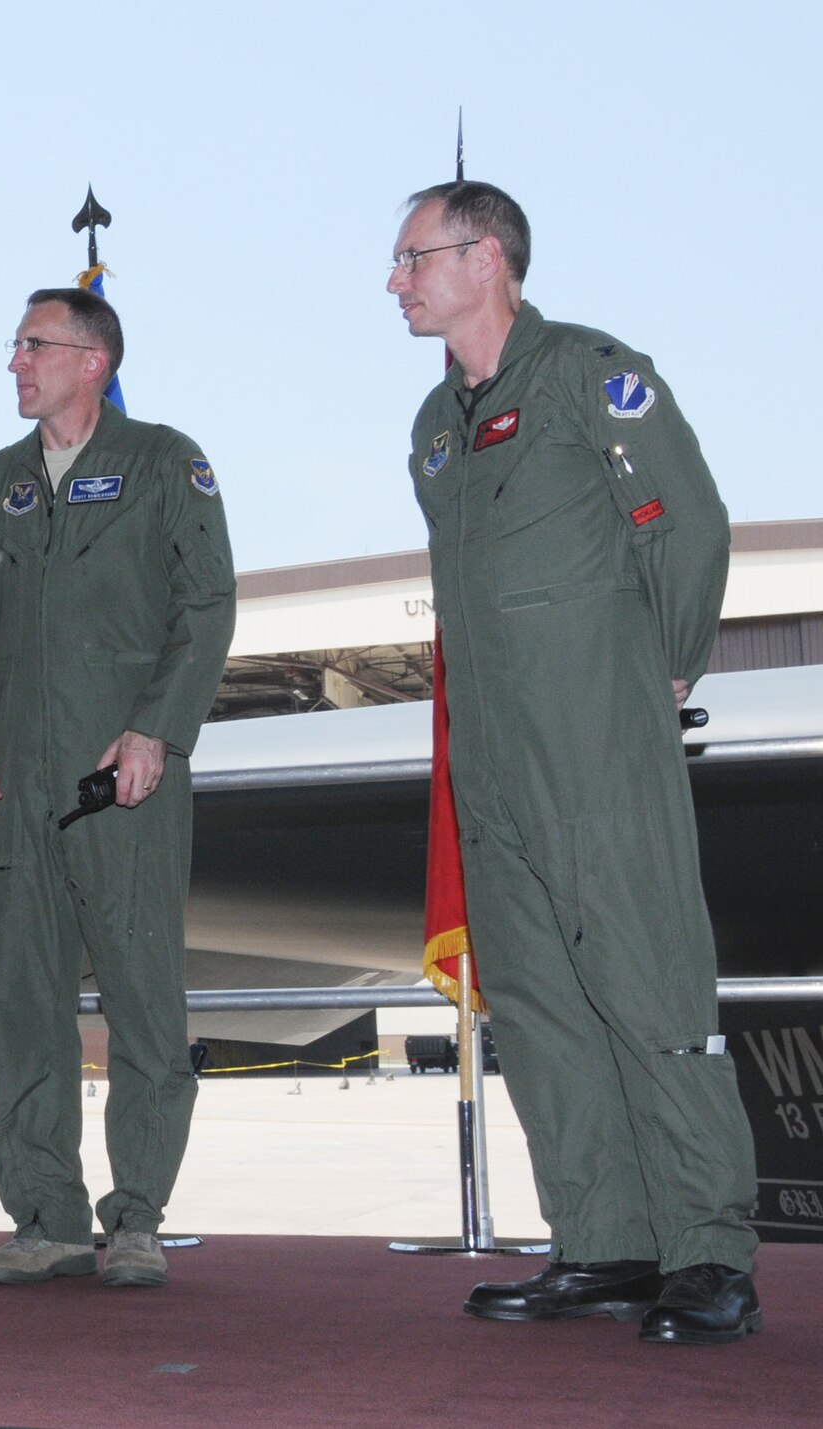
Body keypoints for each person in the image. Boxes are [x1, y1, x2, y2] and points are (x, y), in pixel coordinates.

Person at [386, 181, 760, 1344]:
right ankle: (604, 1241)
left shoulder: (590, 374)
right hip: (489, 758)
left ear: (484, 256)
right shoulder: (434, 427)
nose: (392, 280)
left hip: (597, 741)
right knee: (541, 1005)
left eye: (410, 257)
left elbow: (685, 525)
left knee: (648, 987)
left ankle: (705, 1251)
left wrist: (658, 678)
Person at [0, 289, 236, 1288]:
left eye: (34, 345)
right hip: (15, 786)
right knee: (22, 1004)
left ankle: (135, 1214)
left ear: (92, 358)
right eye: (15, 345)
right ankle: (47, 1215)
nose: (14, 362)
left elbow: (206, 603)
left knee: (142, 996)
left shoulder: (159, 462)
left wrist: (159, 728)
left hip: (124, 781)